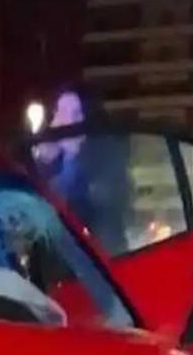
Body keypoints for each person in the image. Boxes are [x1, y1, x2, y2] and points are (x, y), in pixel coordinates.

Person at [32, 83, 134, 256]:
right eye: (61, 112)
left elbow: (100, 201)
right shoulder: (53, 157)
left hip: (102, 261)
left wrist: (74, 156)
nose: (66, 122)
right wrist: (42, 161)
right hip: (56, 263)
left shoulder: (108, 153)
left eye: (75, 114)